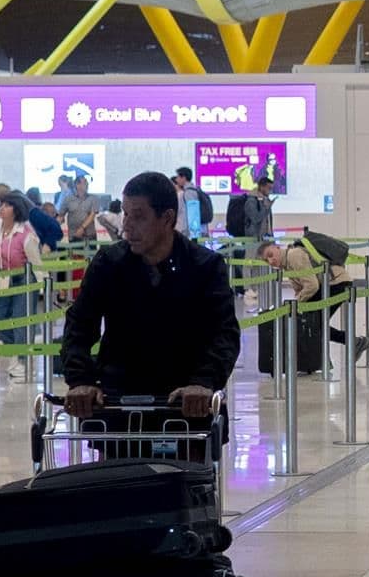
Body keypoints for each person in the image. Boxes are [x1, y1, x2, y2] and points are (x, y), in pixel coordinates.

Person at [62, 171, 241, 419]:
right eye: (125, 214)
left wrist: (204, 382)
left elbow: (225, 332)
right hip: (118, 403)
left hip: (186, 404)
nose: (126, 226)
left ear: (167, 218)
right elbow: (80, 323)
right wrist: (81, 379)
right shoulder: (109, 263)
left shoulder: (205, 266)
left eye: (139, 217)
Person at [255, 239, 368, 365]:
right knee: (315, 324)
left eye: (270, 255)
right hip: (328, 285)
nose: (271, 261)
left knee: (315, 325)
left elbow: (312, 285)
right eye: (266, 260)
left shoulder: (294, 255)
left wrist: (295, 304)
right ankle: (350, 344)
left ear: (277, 248)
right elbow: (301, 289)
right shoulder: (286, 264)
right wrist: (297, 304)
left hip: (337, 284)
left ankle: (353, 343)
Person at [0, 194, 45, 382]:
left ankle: (21, 362)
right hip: (3, 278)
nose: (2, 208)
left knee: (21, 322)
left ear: (16, 210)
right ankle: (16, 354)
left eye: (7, 205)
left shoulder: (26, 233)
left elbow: (36, 262)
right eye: (2, 204)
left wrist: (43, 288)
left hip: (25, 278)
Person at [172, 168, 214, 238]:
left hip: (191, 234)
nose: (176, 180)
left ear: (184, 178)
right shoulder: (193, 190)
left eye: (178, 177)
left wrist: (194, 236)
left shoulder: (189, 192)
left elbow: (193, 214)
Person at [62, 176, 101, 242]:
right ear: (77, 185)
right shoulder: (68, 199)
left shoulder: (93, 198)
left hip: (89, 235)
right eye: (85, 182)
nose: (87, 185)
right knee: (75, 252)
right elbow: (61, 215)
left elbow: (92, 215)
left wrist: (82, 228)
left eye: (87, 183)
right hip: (73, 235)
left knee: (91, 252)